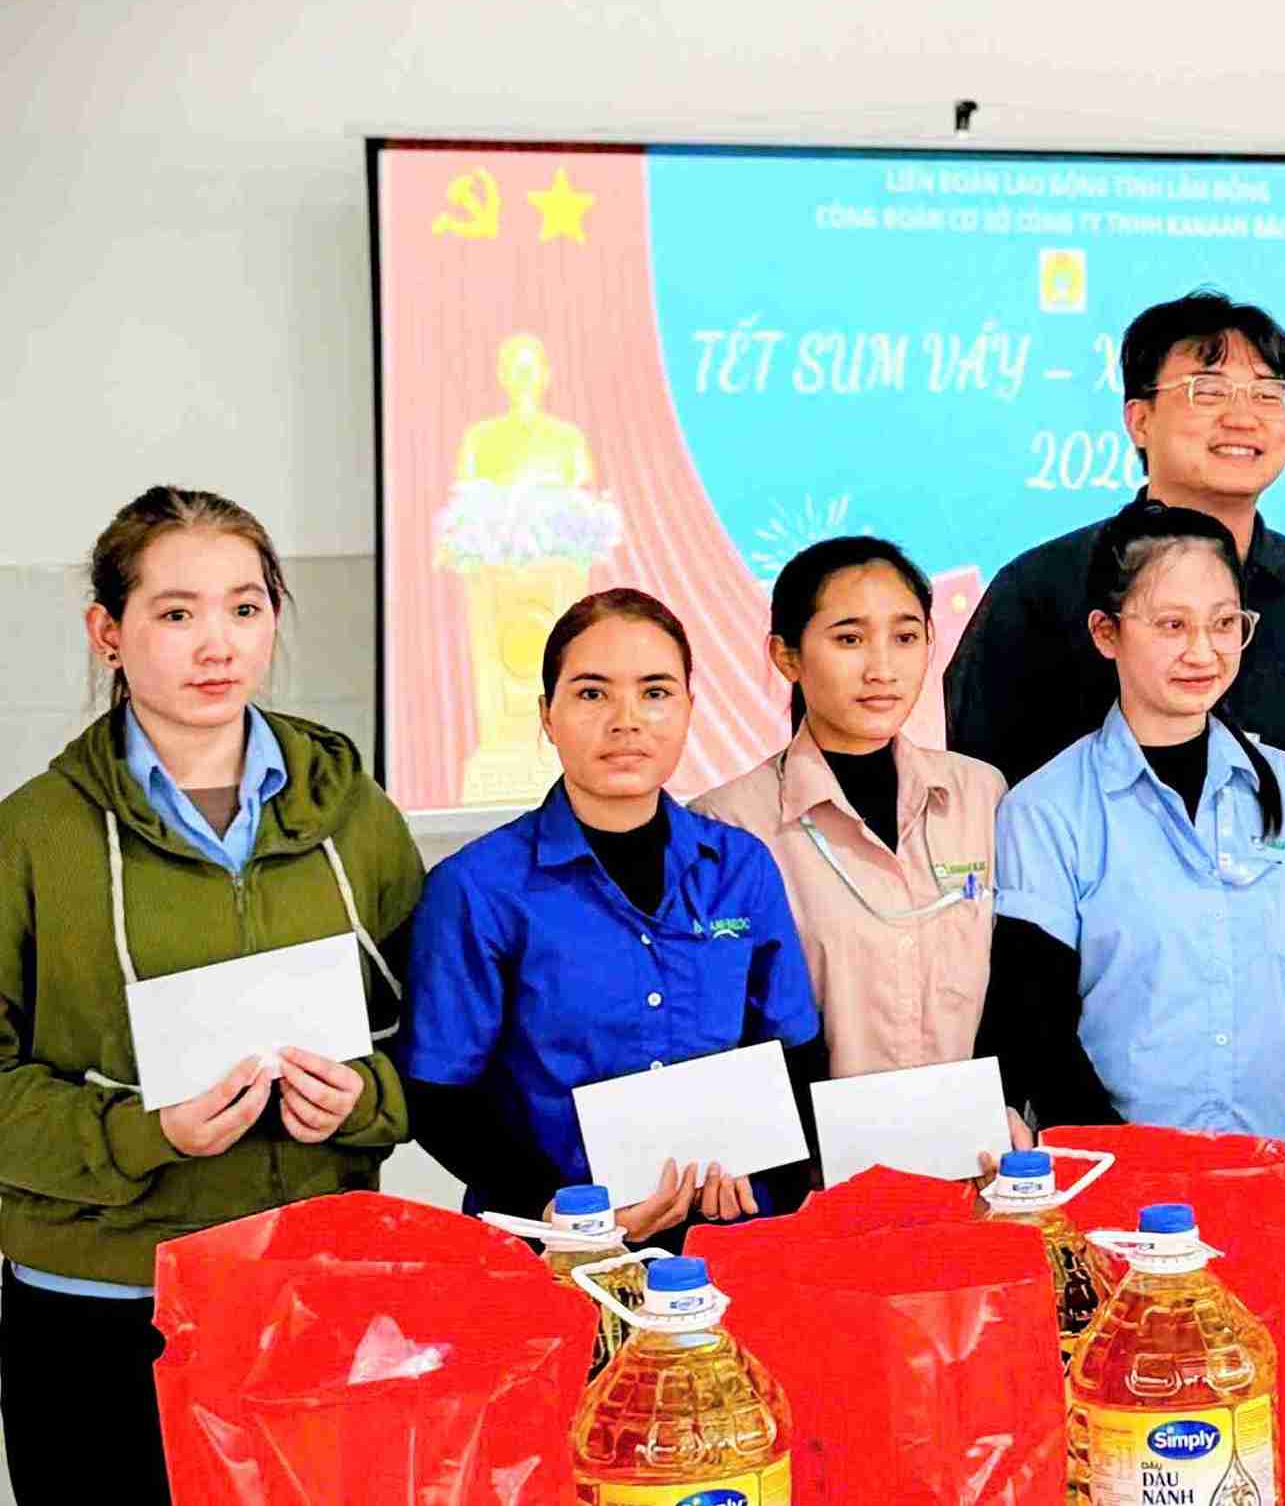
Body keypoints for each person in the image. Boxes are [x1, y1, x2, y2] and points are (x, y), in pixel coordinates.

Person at [0, 487, 421, 1502]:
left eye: (245, 606)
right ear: (109, 632)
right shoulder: (31, 835)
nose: (216, 641)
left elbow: (430, 1034)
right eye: (176, 611)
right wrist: (148, 1130)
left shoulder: (353, 816)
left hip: (311, 1287)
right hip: (103, 1304)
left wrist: (363, 1099)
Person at [398, 589, 823, 1243]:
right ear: (547, 714)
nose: (627, 720)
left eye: (655, 692)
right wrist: (559, 1208)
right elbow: (439, 1095)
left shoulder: (740, 868)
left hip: (725, 1238)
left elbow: (793, 1050)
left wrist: (767, 1171)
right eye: (592, 693)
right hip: (548, 1250)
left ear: (688, 707)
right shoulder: (477, 887)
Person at [978, 501, 1285, 1146]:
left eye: (1224, 623)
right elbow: (1038, 1030)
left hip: (1278, 1169)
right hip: (1117, 1184)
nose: (1203, 652)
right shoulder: (1046, 809)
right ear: (1106, 633)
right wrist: (1129, 1172)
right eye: (1172, 625)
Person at [945, 289, 1285, 788]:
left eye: (1267, 394)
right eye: (1208, 392)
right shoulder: (1042, 588)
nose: (1243, 417)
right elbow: (982, 788)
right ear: (1139, 420)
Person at [693, 537, 1025, 1148]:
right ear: (785, 655)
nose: (882, 668)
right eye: (848, 639)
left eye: (905, 637)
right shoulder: (727, 826)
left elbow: (1015, 985)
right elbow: (731, 1030)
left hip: (975, 1155)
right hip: (820, 1174)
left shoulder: (981, 795)